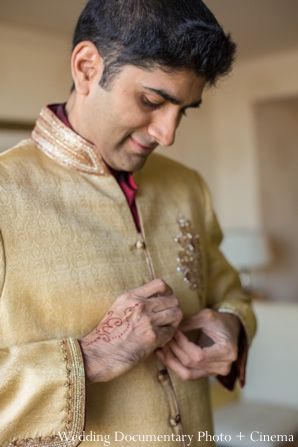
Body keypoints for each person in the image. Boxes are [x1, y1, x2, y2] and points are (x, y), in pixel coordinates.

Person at [0, 0, 256, 446]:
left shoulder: (187, 185)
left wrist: (232, 324)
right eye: (152, 101)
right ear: (86, 68)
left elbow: (229, 291)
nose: (167, 133)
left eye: (184, 110)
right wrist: (88, 358)